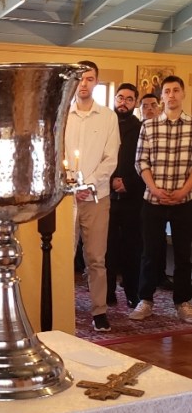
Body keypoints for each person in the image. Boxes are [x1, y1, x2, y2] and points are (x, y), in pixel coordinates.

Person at [130, 75, 192, 323]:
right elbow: (141, 161)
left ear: (183, 94)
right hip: (153, 200)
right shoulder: (149, 126)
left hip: (184, 201)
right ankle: (145, 301)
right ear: (162, 96)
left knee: (184, 254)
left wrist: (184, 190)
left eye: (176, 90)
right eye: (167, 91)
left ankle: (183, 302)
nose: (172, 95)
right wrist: (154, 189)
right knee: (150, 253)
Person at [64, 61, 119, 332]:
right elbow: (56, 153)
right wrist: (70, 184)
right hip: (66, 199)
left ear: (96, 81)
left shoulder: (108, 117)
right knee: (64, 256)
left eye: (89, 78)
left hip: (97, 197)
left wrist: (90, 184)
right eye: (80, 79)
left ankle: (99, 311)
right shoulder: (63, 114)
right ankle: (63, 308)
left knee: (96, 258)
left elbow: (111, 158)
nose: (83, 84)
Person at [105, 83, 144, 309]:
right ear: (115, 99)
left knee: (132, 248)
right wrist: (111, 181)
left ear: (135, 103)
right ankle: (108, 291)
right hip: (107, 196)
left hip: (133, 197)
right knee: (107, 247)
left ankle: (132, 292)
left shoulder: (141, 128)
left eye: (129, 99)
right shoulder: (106, 125)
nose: (123, 102)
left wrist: (127, 182)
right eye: (120, 97)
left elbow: (145, 160)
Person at [139, 93, 172, 290]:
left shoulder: (166, 129)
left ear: (159, 107)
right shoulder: (140, 128)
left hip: (160, 192)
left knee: (159, 242)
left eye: (153, 105)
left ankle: (161, 275)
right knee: (146, 243)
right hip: (140, 193)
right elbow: (138, 162)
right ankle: (143, 282)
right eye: (145, 106)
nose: (149, 109)